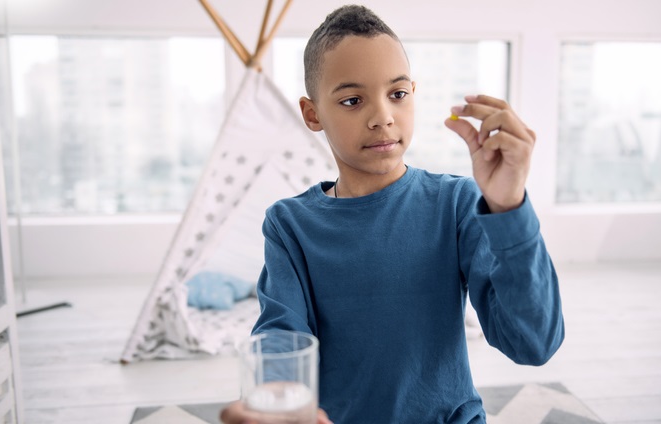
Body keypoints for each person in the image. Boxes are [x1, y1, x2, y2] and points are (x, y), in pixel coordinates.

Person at [220, 4, 564, 424]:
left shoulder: (457, 203)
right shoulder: (289, 224)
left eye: (397, 94)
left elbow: (534, 343)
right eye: (352, 100)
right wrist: (275, 397)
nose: (383, 117)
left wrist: (509, 207)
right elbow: (281, 335)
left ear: (413, 94)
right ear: (313, 115)